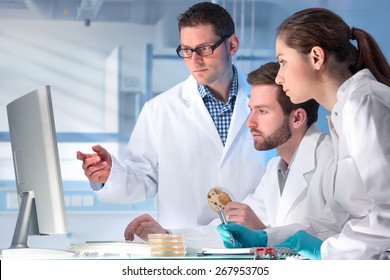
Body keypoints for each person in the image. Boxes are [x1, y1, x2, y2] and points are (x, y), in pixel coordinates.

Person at [76, 2, 265, 229]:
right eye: (186, 50)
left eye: (205, 48)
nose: (194, 61)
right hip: (185, 249)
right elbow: (143, 177)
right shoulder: (159, 110)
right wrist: (109, 176)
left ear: (232, 45)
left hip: (257, 244)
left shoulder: (268, 102)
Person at [222, 7, 390, 260]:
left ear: (315, 57)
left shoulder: (364, 104)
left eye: (283, 62)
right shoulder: (342, 114)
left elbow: (387, 213)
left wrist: (325, 252)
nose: (279, 77)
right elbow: (340, 216)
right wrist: (268, 238)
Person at [124, 62, 342, 250]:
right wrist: (166, 236)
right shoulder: (276, 168)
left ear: (297, 118)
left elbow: (341, 241)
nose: (250, 122)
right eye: (251, 109)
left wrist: (264, 234)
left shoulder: (333, 162)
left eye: (263, 111)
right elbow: (228, 231)